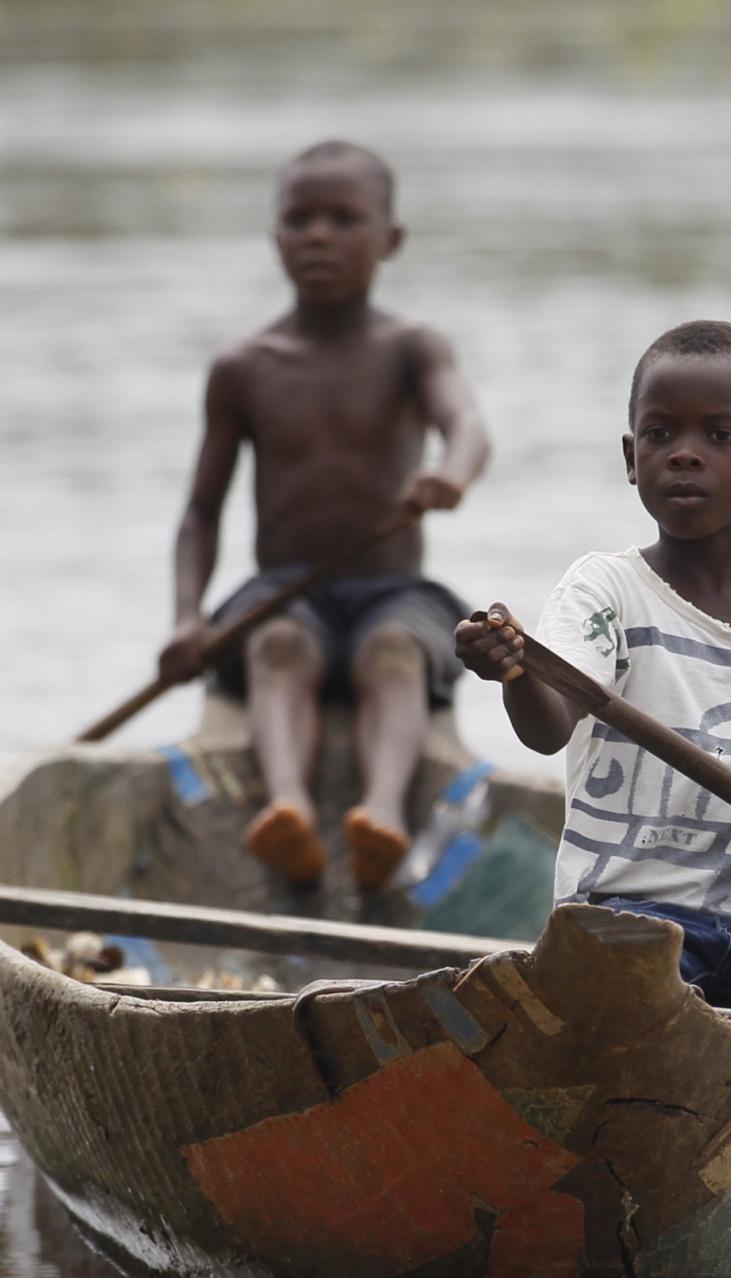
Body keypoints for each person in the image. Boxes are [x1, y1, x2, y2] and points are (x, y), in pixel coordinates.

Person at [453, 320, 731, 1043]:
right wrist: (514, 671)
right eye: (661, 435)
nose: (685, 455)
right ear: (632, 459)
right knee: (632, 1036)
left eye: (720, 437)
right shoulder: (605, 590)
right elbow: (548, 728)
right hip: (620, 927)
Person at [156, 139, 491, 891]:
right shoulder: (246, 366)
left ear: (389, 240)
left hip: (390, 593)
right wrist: (186, 619)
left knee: (395, 656)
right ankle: (288, 810)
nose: (318, 236)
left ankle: (381, 815)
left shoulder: (410, 348)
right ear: (276, 238)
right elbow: (199, 514)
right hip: (285, 591)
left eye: (344, 219)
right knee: (275, 649)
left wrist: (448, 475)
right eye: (299, 220)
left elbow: (467, 426)